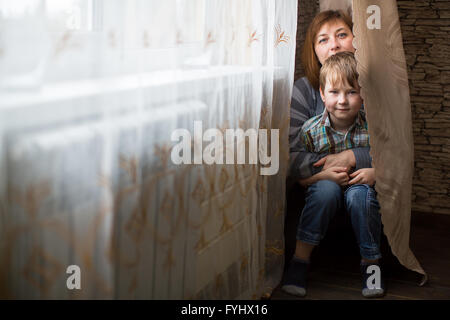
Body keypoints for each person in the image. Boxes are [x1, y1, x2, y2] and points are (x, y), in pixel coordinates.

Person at [282, 51, 385, 298]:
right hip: (324, 185)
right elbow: (297, 165)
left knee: (360, 196)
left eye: (351, 92)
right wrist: (317, 178)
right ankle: (300, 261)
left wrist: (375, 171)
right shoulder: (311, 130)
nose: (342, 100)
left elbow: (389, 159)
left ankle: (371, 263)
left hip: (359, 185)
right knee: (325, 192)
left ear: (363, 95)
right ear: (322, 94)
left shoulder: (372, 127)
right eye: (334, 92)